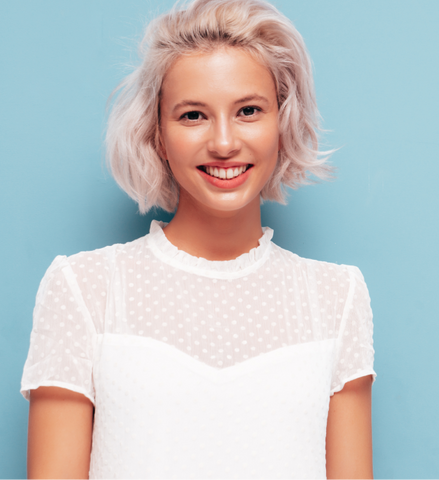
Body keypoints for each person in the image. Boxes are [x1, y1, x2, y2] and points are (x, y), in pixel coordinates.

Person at [21, 0, 376, 478]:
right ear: (157, 135)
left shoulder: (337, 297)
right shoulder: (84, 289)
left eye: (249, 110)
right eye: (193, 116)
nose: (224, 142)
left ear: (281, 123)